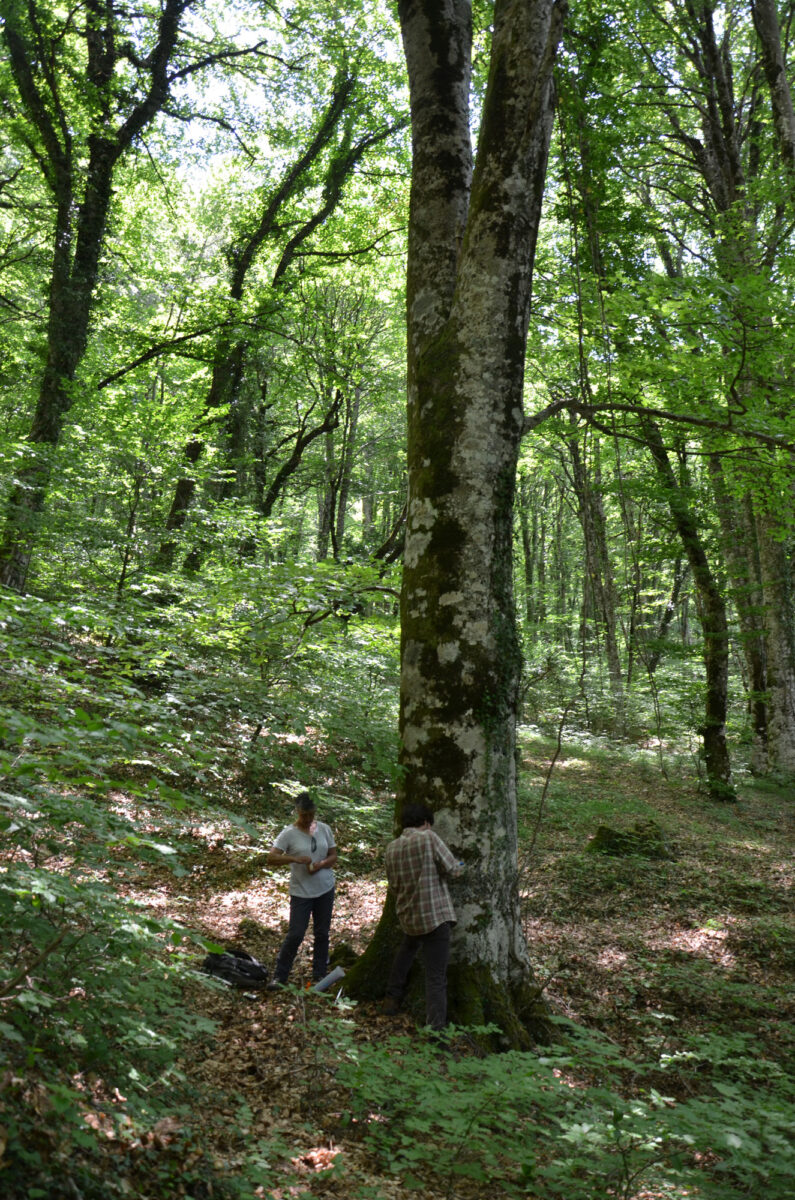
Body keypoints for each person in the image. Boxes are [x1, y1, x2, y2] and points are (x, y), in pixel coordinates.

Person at [384, 802, 463, 1030]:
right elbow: (454, 869)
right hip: (434, 917)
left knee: (407, 949)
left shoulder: (391, 848)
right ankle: (436, 1031)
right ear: (426, 823)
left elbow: (393, 887)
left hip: (409, 917)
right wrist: (463, 862)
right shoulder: (429, 838)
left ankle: (392, 996)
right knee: (436, 977)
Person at [267, 792, 337, 987]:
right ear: (297, 812)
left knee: (322, 932)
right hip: (301, 892)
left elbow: (333, 855)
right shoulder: (288, 833)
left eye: (311, 815)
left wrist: (321, 864)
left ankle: (319, 973)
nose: (307, 819)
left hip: (325, 888)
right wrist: (295, 859)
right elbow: (271, 858)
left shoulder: (324, 829)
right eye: (303, 815)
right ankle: (280, 975)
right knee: (296, 933)